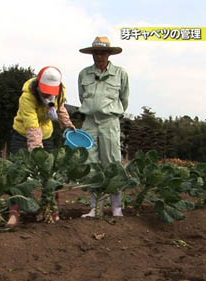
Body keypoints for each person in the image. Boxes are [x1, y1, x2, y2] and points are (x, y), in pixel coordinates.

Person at [6, 66, 76, 227]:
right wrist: (38, 152)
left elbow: (61, 108)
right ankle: (15, 212)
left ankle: (51, 209)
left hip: (47, 134)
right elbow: (32, 126)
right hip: (23, 135)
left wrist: (67, 124)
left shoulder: (60, 92)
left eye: (50, 92)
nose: (47, 95)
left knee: (51, 173)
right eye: (44, 92)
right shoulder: (27, 97)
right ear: (38, 85)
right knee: (18, 173)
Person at [78, 36, 130, 217]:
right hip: (89, 122)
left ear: (109, 54)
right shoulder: (84, 74)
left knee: (112, 163)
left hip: (110, 122)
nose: (99, 56)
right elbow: (81, 97)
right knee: (90, 163)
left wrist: (110, 111)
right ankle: (95, 207)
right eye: (96, 53)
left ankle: (117, 207)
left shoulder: (120, 73)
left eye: (102, 53)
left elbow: (124, 99)